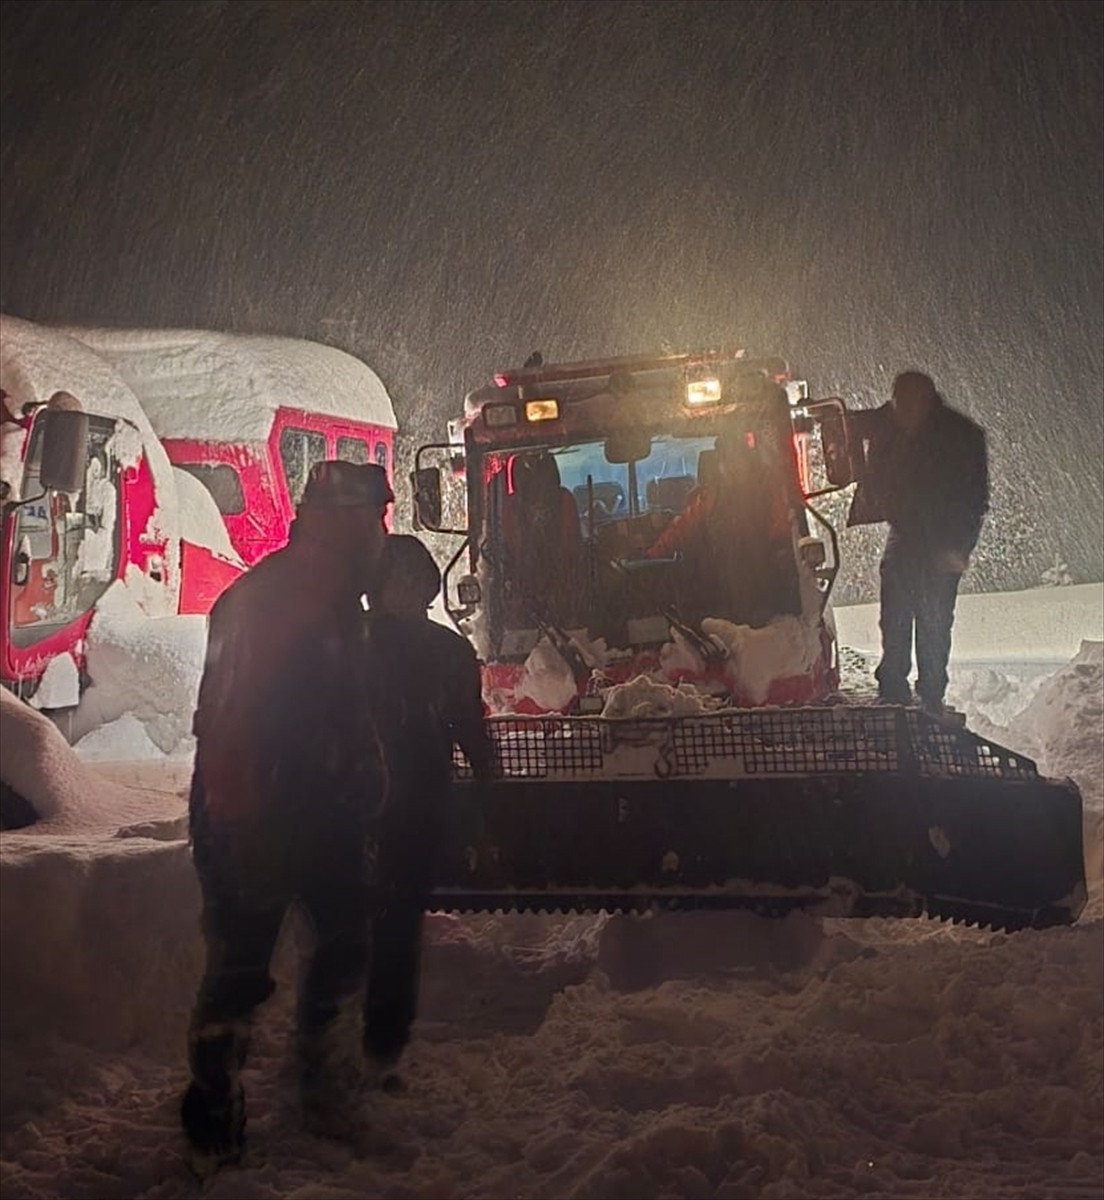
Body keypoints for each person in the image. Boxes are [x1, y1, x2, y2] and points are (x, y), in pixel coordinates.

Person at [181, 460, 394, 1167]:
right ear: (344, 524)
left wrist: (363, 772)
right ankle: (214, 1121)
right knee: (241, 967)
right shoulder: (279, 601)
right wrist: (241, 820)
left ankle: (323, 1089)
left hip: (317, 812)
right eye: (376, 520)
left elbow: (343, 710)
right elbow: (230, 717)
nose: (383, 535)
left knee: (343, 943)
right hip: (262, 814)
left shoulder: (336, 602)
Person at [357, 534, 494, 1090]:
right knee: (379, 921)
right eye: (393, 578)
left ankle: (373, 1041)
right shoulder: (354, 645)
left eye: (410, 579)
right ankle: (367, 1039)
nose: (401, 590)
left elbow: (468, 725)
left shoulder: (440, 651)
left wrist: (487, 782)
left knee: (386, 921)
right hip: (374, 801)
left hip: (401, 801)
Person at [848, 370, 989, 713]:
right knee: (895, 612)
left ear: (926, 401)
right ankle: (893, 687)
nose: (902, 411)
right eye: (898, 404)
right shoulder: (892, 421)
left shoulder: (961, 436)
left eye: (908, 405)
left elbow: (974, 500)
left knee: (934, 618)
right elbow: (853, 423)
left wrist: (958, 549)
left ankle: (931, 693)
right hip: (906, 531)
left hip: (945, 536)